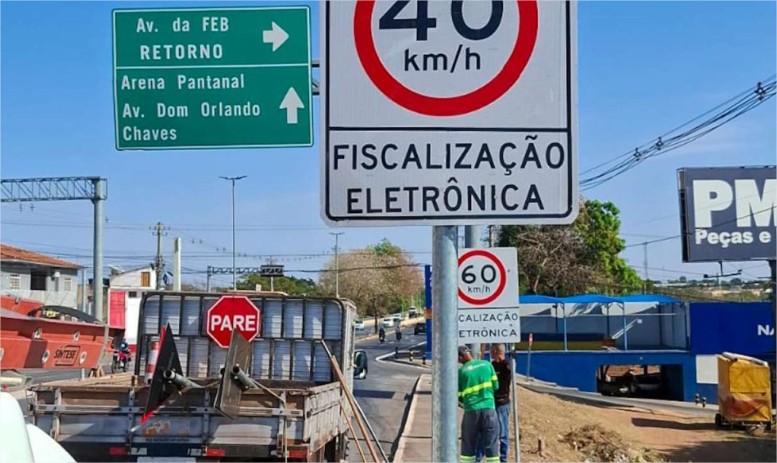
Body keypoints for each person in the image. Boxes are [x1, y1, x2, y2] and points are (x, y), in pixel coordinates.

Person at [458, 346, 500, 463]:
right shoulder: (487, 364)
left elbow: (460, 395)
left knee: (468, 445)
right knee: (491, 444)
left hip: (471, 411)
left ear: (460, 358)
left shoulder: (461, 372)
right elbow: (496, 386)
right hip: (489, 410)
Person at [476, 344, 512, 462]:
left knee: (503, 434)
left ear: (496, 351)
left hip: (502, 403)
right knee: (484, 432)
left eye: (491, 351)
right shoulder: (492, 366)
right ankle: (478, 458)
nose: (490, 353)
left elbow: (509, 368)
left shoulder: (506, 366)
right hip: (490, 404)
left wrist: (507, 358)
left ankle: (503, 459)